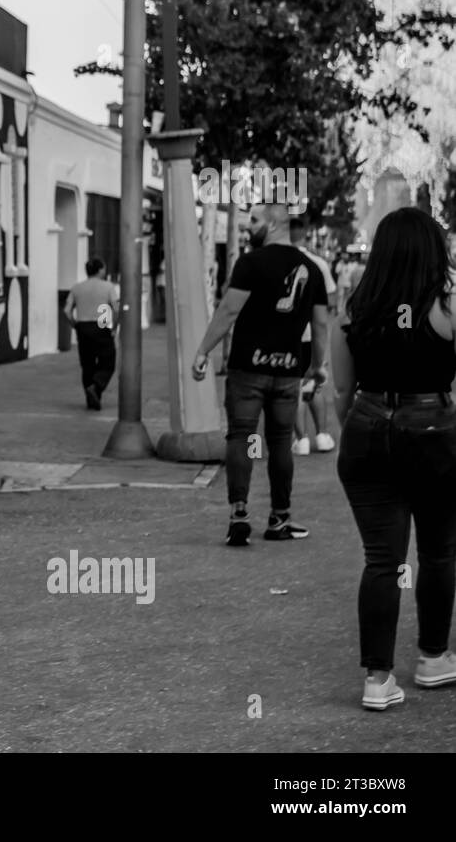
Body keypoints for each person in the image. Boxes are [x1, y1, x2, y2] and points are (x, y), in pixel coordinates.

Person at [332, 207, 456, 711]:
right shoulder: (448, 306)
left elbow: (341, 389)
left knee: (382, 560)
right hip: (434, 431)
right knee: (439, 552)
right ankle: (432, 658)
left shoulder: (356, 307)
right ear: (434, 251)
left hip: (366, 426)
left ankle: (377, 680)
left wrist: (362, 429)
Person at [191, 202, 328, 547]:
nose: (248, 227)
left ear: (273, 224)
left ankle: (239, 515)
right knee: (281, 442)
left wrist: (203, 351)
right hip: (287, 371)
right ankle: (280, 519)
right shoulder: (311, 269)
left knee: (240, 437)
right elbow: (320, 322)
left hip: (248, 369)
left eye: (254, 221)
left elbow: (228, 310)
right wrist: (319, 366)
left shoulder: (250, 264)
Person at [290, 217, 337, 454]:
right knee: (314, 386)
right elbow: (330, 302)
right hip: (311, 335)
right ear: (305, 233)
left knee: (295, 388)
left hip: (286, 337)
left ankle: (302, 440)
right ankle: (322, 435)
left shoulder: (278, 262)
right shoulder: (318, 263)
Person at [64, 257, 119, 410]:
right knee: (108, 362)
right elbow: (116, 308)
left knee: (87, 364)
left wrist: (75, 326)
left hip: (83, 327)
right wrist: (114, 327)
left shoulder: (77, 288)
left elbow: (67, 311)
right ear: (100, 270)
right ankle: (96, 386)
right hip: (101, 325)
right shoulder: (107, 287)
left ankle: (91, 398)